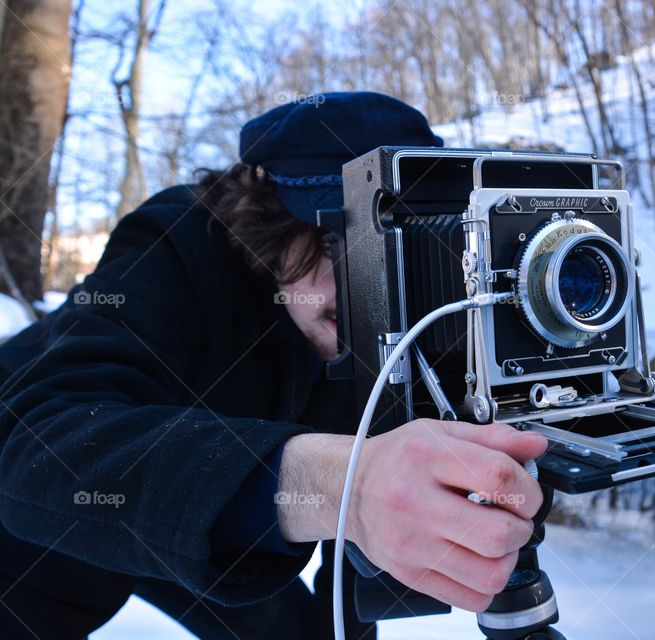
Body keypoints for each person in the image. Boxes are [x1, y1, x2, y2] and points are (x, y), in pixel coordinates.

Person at [0, 91, 547, 639]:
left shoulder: (405, 312)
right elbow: (41, 448)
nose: (364, 285)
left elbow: (356, 563)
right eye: (337, 241)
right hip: (46, 509)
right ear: (265, 217)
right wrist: (346, 487)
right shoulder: (176, 240)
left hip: (219, 525)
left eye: (398, 245)